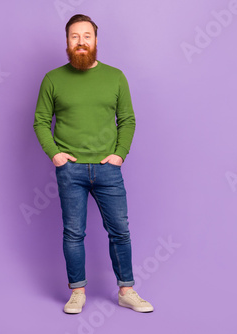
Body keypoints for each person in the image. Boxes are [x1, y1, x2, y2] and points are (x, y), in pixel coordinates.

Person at [33, 14, 153, 314]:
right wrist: (55, 155)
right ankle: (77, 293)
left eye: (87, 35)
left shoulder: (115, 77)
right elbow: (40, 121)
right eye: (75, 36)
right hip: (70, 170)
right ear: (67, 42)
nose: (81, 41)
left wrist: (119, 154)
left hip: (107, 168)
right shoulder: (52, 79)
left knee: (120, 231)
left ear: (96, 40)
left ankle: (126, 290)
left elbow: (127, 119)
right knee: (73, 233)